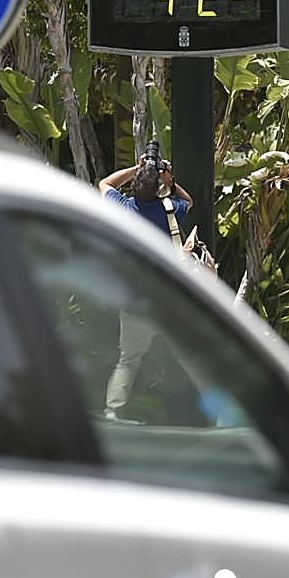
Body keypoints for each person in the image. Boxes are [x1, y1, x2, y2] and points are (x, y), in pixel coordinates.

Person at [96, 151, 195, 422]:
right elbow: (189, 201)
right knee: (192, 358)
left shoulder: (122, 207)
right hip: (167, 300)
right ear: (157, 188)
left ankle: (113, 412)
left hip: (134, 301)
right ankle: (224, 412)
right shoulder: (170, 210)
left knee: (128, 359)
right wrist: (170, 181)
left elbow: (105, 183)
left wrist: (136, 168)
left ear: (135, 186)